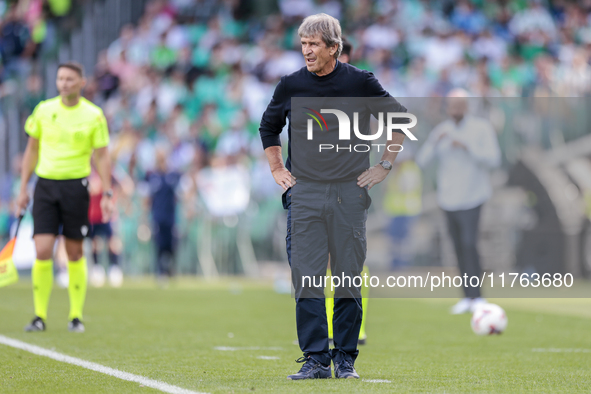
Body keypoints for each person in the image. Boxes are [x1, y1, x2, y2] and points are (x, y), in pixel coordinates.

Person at [259, 14, 407, 380]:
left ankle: (345, 359)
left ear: (333, 48)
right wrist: (278, 169)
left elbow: (400, 119)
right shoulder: (290, 84)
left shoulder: (360, 82)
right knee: (306, 277)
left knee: (348, 278)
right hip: (305, 192)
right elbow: (268, 127)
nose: (306, 51)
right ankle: (315, 359)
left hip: (348, 194)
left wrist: (384, 165)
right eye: (303, 44)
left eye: (314, 44)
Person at [16, 62, 112, 333]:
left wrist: (107, 191)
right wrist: (23, 188)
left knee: (75, 251)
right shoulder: (44, 110)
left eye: (70, 79)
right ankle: (39, 316)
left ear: (82, 82)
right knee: (43, 249)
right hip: (45, 186)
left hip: (76, 187)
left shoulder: (94, 115)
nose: (64, 83)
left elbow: (102, 156)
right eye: (60, 79)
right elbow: (31, 150)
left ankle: (75, 316)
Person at [416, 89, 501, 314]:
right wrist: (435, 142)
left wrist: (468, 147)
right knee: (457, 247)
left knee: (469, 244)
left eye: (458, 106)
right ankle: (467, 297)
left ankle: (477, 296)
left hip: (473, 196)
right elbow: (422, 161)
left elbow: (494, 159)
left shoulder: (480, 129)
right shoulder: (441, 131)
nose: (454, 110)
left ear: (466, 106)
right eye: (451, 106)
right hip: (448, 199)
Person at [144, 148, 181, 279]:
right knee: (159, 243)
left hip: (171, 216)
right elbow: (147, 198)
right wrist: (144, 218)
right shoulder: (151, 176)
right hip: (157, 216)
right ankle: (160, 271)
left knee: (172, 244)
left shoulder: (174, 175)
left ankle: (170, 269)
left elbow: (181, 194)